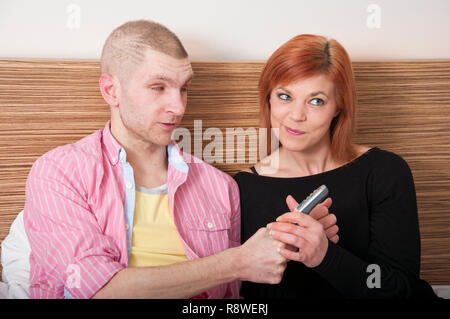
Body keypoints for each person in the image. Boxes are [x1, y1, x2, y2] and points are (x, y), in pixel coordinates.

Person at [17, 20, 340, 299]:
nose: (178, 107)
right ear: (111, 91)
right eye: (158, 87)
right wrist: (238, 261)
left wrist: (296, 248)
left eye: (184, 89)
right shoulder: (59, 171)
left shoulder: (219, 187)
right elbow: (95, 289)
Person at [233, 34, 437, 298]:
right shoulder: (243, 187)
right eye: (285, 96)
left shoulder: (385, 171)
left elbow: (403, 292)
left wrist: (325, 256)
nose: (296, 115)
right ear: (268, 98)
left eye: (316, 101)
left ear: (338, 107)